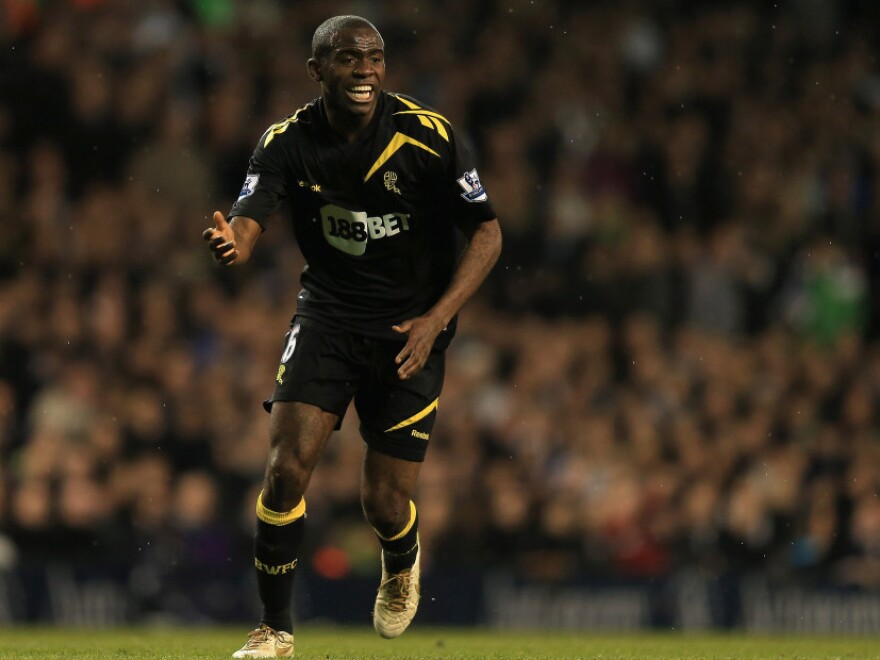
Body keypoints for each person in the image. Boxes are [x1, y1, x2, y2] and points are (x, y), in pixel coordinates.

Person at [202, 15, 502, 659]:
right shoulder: (286, 142)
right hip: (328, 317)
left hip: (410, 329)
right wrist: (234, 244)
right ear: (317, 70)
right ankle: (275, 629)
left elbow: (487, 232)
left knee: (384, 501)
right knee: (284, 470)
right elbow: (250, 220)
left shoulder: (429, 136)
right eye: (347, 57)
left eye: (374, 55)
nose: (365, 67)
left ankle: (401, 558)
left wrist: (437, 318)